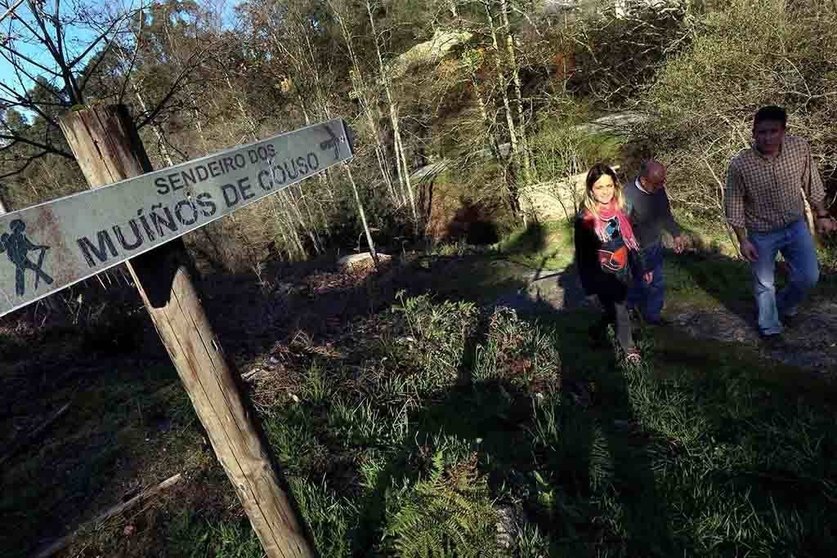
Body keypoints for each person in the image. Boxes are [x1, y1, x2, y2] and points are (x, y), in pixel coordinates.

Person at [725, 105, 836, 339]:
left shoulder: (799, 148)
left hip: (795, 226)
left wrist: (822, 214)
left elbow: (812, 183)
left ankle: (782, 306)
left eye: (773, 131)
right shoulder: (740, 165)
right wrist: (743, 240)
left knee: (808, 276)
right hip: (761, 232)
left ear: (783, 131)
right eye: (762, 132)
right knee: (765, 283)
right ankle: (770, 329)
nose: (767, 138)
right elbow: (734, 205)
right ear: (753, 133)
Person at [575, 163, 651, 364]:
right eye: (599, 187)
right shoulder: (585, 219)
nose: (605, 191)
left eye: (609, 185)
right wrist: (589, 289)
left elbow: (633, 242)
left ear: (615, 186)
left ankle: (594, 332)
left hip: (623, 272)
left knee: (613, 311)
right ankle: (629, 348)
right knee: (621, 309)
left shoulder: (624, 210)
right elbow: (583, 258)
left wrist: (642, 267)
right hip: (602, 277)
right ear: (591, 189)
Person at [625, 159, 684, 325]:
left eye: (662, 183)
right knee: (640, 283)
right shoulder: (627, 196)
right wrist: (639, 258)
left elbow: (665, 213)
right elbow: (625, 231)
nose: (661, 187)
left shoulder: (658, 188)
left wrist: (676, 234)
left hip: (655, 244)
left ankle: (653, 317)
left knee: (657, 282)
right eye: (657, 184)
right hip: (636, 250)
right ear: (644, 180)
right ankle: (630, 313)